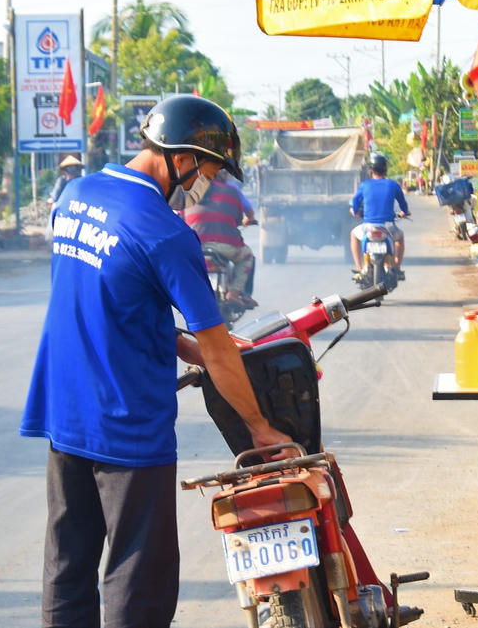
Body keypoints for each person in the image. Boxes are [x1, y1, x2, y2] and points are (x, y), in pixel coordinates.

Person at [20, 95, 294, 628]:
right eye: (209, 172)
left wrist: (182, 345)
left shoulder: (76, 196)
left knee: (67, 562)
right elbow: (220, 347)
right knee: (137, 575)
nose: (206, 185)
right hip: (127, 423)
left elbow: (111, 298)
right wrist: (258, 426)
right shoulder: (166, 232)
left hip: (64, 409)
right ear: (184, 158)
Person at [182, 169, 257, 308]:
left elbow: (180, 219)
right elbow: (238, 219)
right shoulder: (232, 190)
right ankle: (235, 293)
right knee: (247, 256)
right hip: (227, 246)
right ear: (222, 175)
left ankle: (185, 297)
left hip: (195, 248)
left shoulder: (189, 193)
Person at [349, 152, 410, 280]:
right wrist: (404, 212)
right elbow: (403, 205)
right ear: (385, 169)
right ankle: (397, 268)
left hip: (368, 227)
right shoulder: (393, 185)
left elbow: (355, 203)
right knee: (400, 238)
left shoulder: (364, 185)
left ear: (371, 170)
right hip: (388, 226)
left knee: (354, 235)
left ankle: (359, 268)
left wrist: (356, 212)